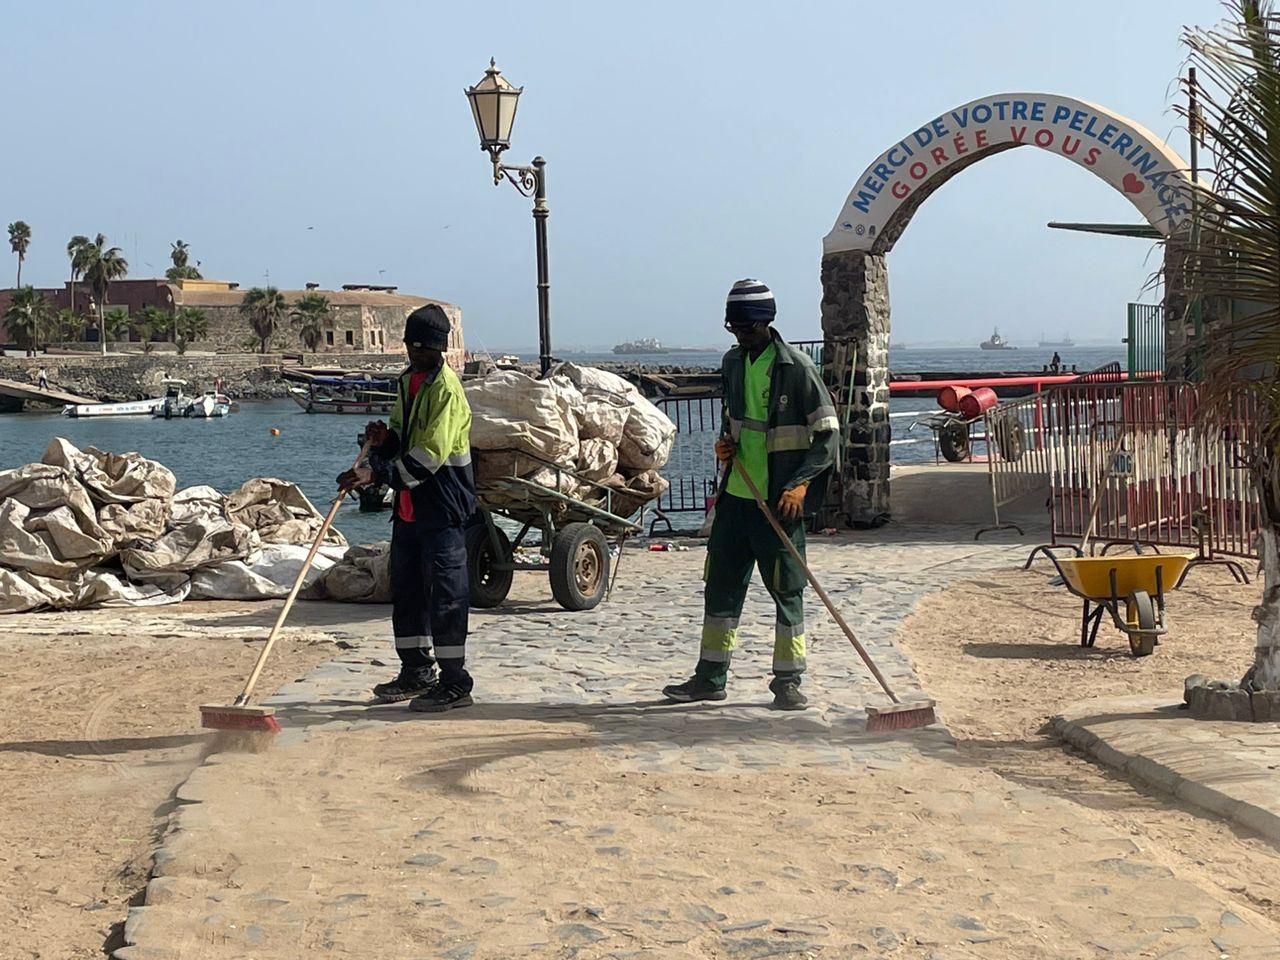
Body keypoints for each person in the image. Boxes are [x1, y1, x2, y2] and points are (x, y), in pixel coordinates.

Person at [662, 279, 839, 711]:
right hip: (737, 498)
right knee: (720, 589)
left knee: (787, 590)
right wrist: (726, 445)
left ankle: (788, 681)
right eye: (734, 328)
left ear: (766, 322)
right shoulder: (733, 363)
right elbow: (736, 423)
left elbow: (828, 436)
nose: (741, 334)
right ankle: (709, 677)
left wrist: (800, 485)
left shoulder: (797, 369)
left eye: (747, 328)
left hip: (778, 503)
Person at [337, 304, 477, 712]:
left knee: (447, 595)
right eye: (411, 348)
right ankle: (416, 670)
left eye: (424, 350)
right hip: (410, 507)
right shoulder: (406, 382)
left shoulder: (447, 390)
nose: (416, 356)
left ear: (439, 350)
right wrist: (384, 442)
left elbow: (430, 455)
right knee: (408, 589)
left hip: (444, 504)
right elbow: (402, 432)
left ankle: (455, 682)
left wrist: (374, 476)